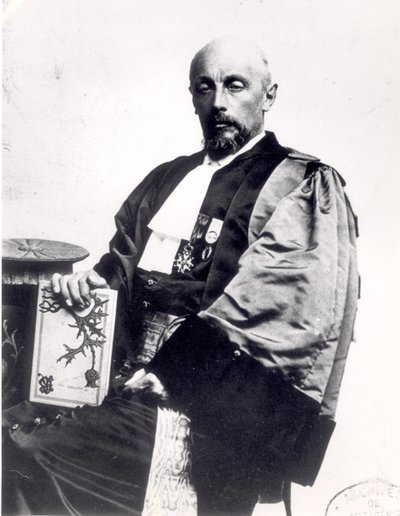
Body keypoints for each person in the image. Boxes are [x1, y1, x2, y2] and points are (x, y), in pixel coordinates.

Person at [2, 37, 359, 516]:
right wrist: (89, 286)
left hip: (203, 405)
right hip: (119, 380)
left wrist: (173, 373)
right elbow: (119, 270)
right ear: (193, 98)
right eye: (205, 87)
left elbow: (283, 312)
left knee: (25, 451)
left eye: (236, 86)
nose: (220, 102)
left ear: (269, 95)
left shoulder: (301, 183)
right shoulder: (166, 178)